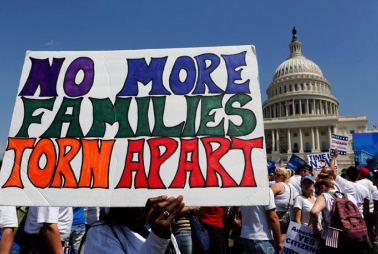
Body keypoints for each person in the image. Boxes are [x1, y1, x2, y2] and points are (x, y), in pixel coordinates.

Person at [84, 195, 183, 253]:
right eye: (131, 194)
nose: (140, 203)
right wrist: (158, 239)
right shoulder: (100, 233)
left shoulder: (160, 228)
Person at [310, 172, 357, 253]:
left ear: (322, 187)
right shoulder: (349, 196)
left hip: (332, 235)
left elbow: (314, 212)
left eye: (317, 192)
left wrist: (315, 230)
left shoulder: (324, 196)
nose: (317, 195)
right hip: (351, 235)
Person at [239, 189, 281, 254]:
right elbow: (273, 218)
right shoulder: (265, 190)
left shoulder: (243, 191)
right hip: (262, 237)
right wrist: (279, 241)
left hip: (246, 236)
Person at [270, 167, 298, 246]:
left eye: (278, 175)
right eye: (274, 174)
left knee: (275, 242)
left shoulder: (278, 185)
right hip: (287, 218)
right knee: (282, 242)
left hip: (276, 217)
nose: (275, 176)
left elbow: (265, 199)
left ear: (284, 177)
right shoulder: (292, 187)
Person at [357, 167, 376, 239]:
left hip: (361, 211)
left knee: (362, 234)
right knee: (373, 233)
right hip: (372, 211)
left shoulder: (357, 184)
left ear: (360, 174)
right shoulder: (373, 183)